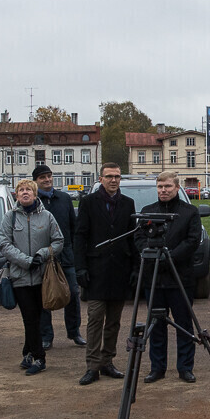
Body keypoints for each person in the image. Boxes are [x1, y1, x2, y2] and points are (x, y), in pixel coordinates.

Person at [74, 163, 136, 385]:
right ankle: (92, 366)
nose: (113, 180)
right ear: (101, 179)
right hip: (95, 271)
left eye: (117, 176)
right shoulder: (89, 202)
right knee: (95, 319)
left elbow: (132, 238)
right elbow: (80, 236)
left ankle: (107, 361)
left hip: (119, 271)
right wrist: (80, 267)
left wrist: (135, 268)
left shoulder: (128, 203)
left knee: (114, 322)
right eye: (109, 176)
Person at [140, 172, 203, 382]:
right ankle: (157, 368)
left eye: (167, 186)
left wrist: (169, 257)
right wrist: (152, 254)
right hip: (154, 278)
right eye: (160, 187)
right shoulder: (148, 212)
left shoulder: (189, 212)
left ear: (176, 187)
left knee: (184, 324)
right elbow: (139, 238)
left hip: (180, 277)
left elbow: (192, 240)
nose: (163, 190)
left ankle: (185, 367)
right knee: (156, 325)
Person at [0, 178, 65, 375]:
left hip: (43, 277)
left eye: (29, 189)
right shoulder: (10, 217)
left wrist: (42, 255)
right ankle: (39, 357)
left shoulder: (47, 217)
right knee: (30, 317)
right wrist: (26, 261)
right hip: (20, 277)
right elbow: (5, 245)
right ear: (17, 195)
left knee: (36, 317)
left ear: (35, 194)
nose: (25, 192)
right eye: (21, 190)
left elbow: (58, 241)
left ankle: (28, 353)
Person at [33, 165, 83, 351]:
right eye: (42, 177)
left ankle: (74, 332)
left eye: (49, 176)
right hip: (42, 257)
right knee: (44, 296)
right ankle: (46, 336)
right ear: (36, 181)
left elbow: (73, 226)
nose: (47, 180)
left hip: (66, 255)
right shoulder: (33, 201)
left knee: (72, 294)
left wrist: (75, 251)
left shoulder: (64, 198)